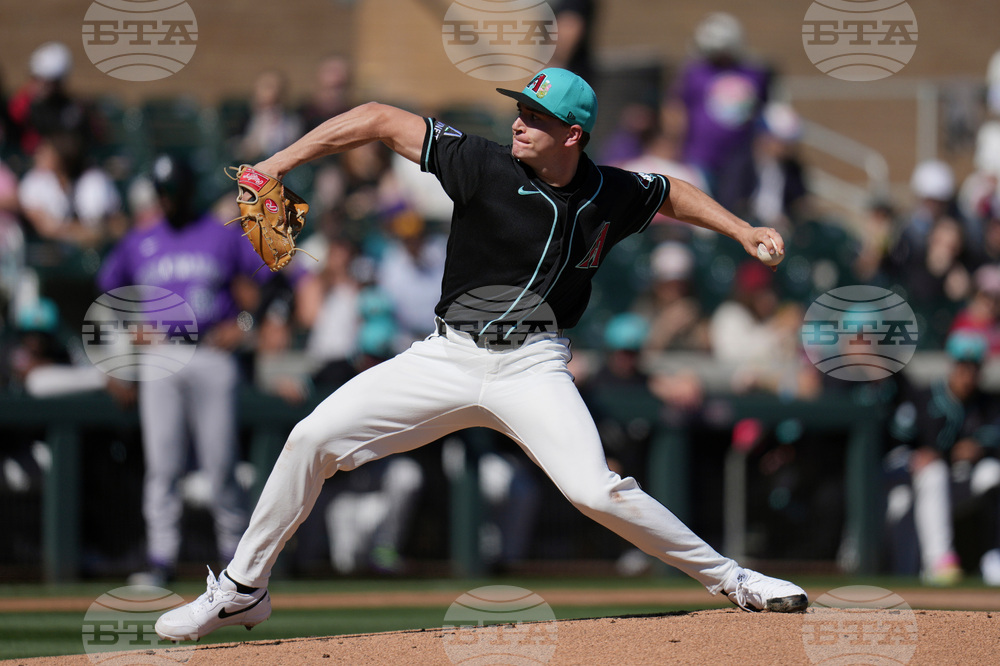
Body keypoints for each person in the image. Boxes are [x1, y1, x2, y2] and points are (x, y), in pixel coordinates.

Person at [155, 67, 805, 642]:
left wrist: (742, 229)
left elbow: (669, 192)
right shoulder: (482, 164)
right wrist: (278, 162)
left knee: (595, 491)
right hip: (448, 356)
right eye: (520, 110)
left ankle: (733, 579)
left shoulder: (609, 191)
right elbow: (378, 118)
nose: (519, 123)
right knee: (309, 438)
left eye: (536, 117)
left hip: (532, 366)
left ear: (572, 134)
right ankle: (243, 588)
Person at [98, 154, 264, 586]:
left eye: (172, 190)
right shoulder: (141, 239)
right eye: (162, 191)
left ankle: (236, 561)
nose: (167, 199)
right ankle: (161, 559)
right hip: (163, 355)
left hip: (211, 353)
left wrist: (245, 324)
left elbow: (265, 285)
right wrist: (131, 329)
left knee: (221, 462)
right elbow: (107, 289)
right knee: (163, 464)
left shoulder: (219, 234)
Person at [884, 331, 1000, 585]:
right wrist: (930, 454)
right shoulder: (924, 397)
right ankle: (939, 561)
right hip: (909, 471)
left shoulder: (987, 404)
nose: (967, 375)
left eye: (973, 369)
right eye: (962, 367)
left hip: (956, 478)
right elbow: (898, 442)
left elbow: (992, 438)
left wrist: (977, 448)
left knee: (993, 472)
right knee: (930, 474)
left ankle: (993, 554)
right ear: (952, 366)